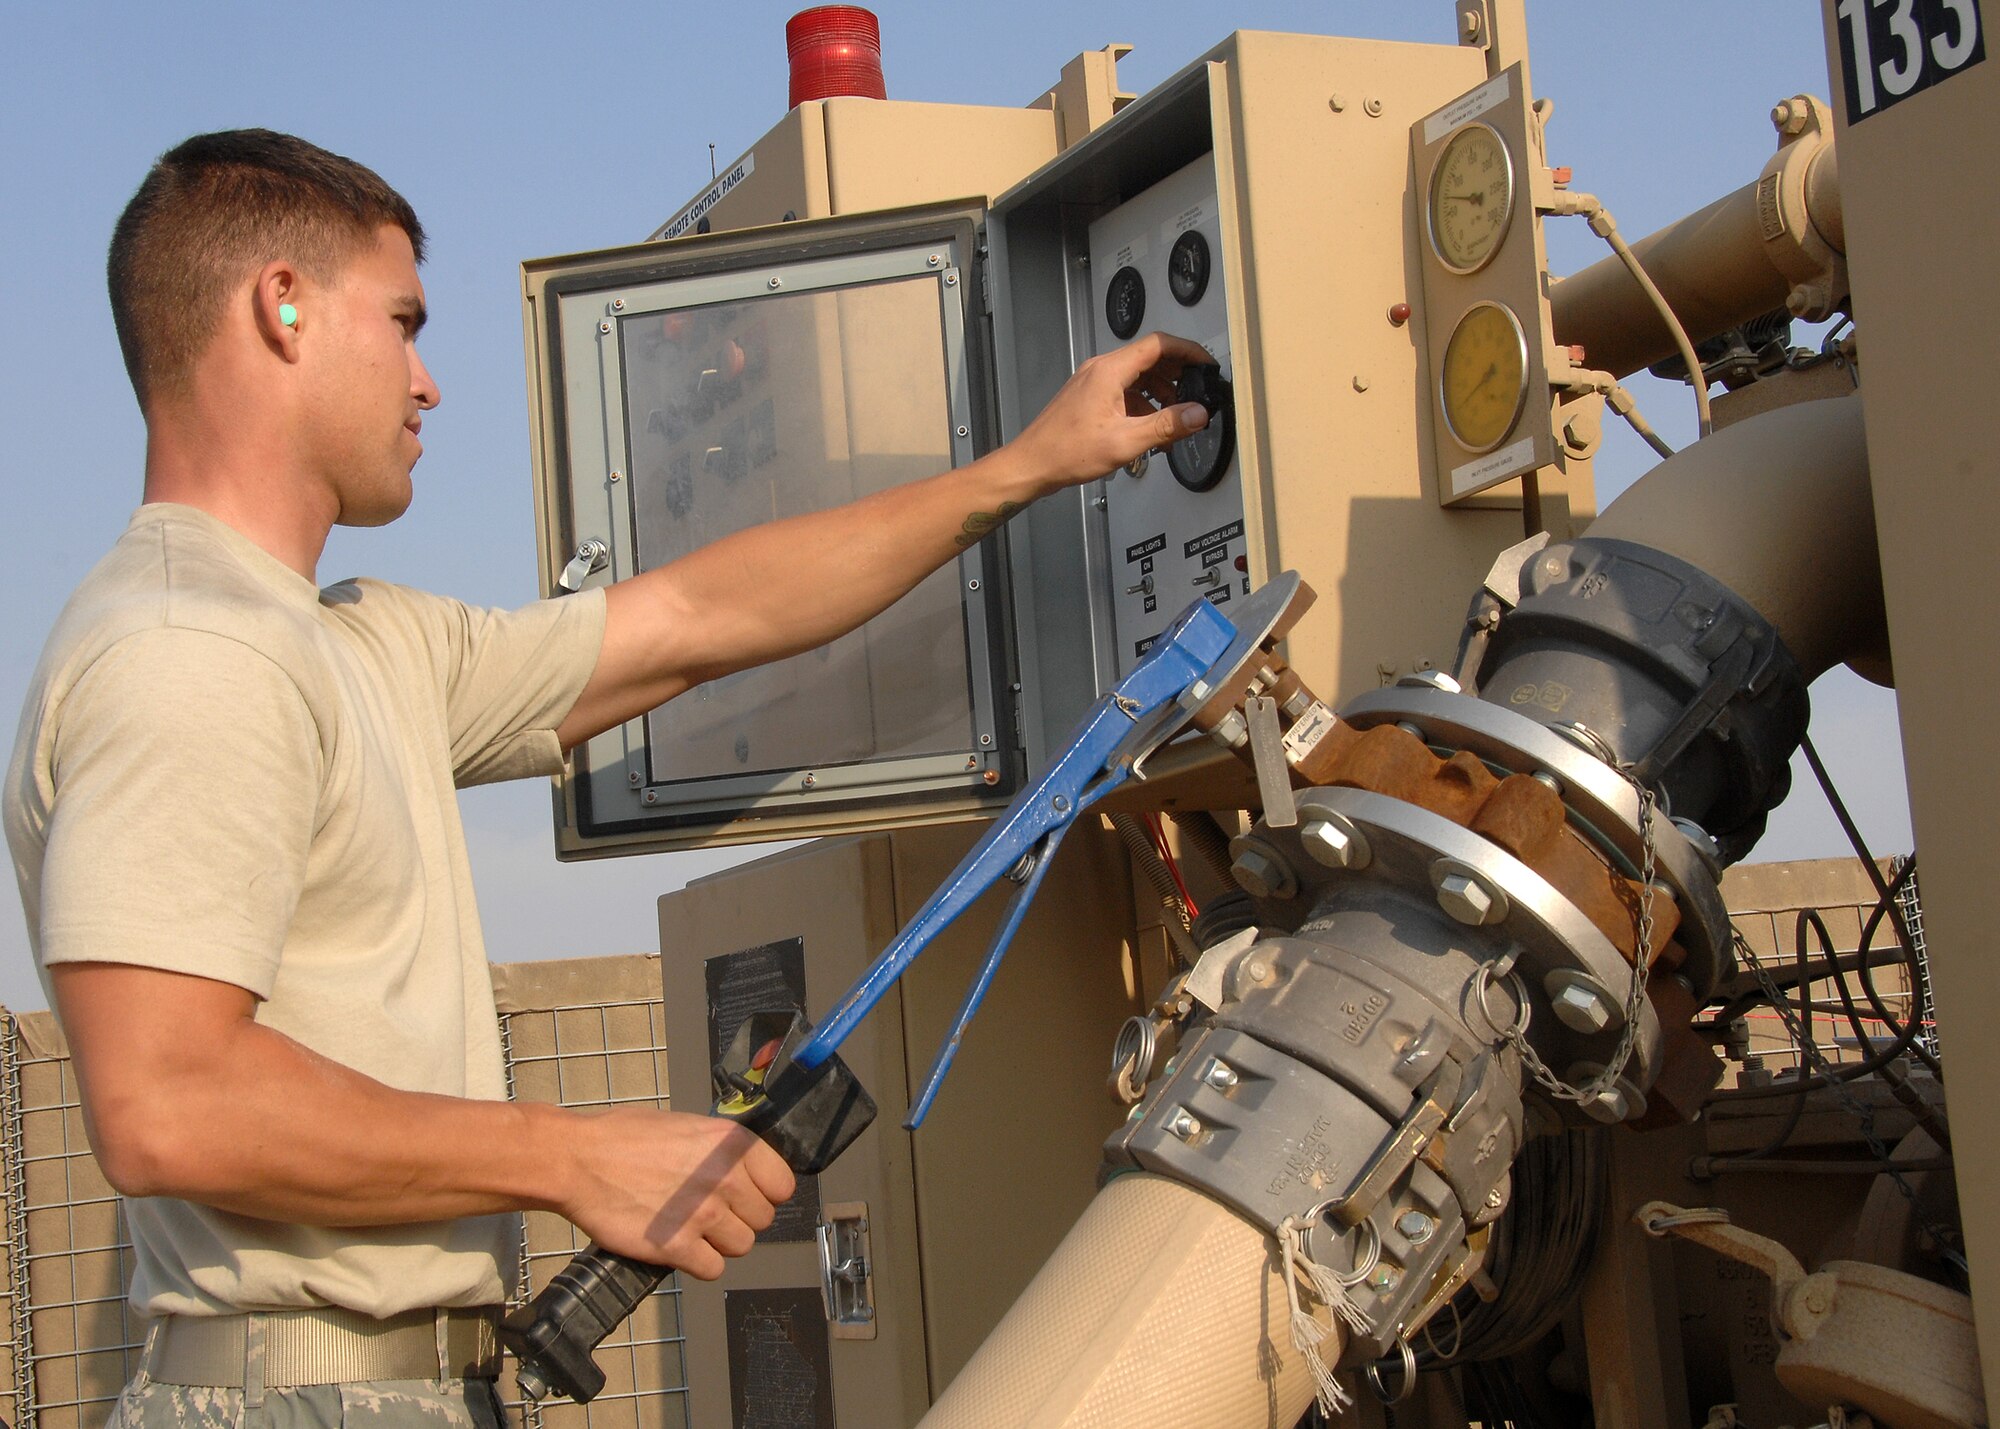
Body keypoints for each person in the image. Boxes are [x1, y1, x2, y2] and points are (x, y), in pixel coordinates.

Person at [2, 129, 1212, 1429]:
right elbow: (167, 1103)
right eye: (403, 322)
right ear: (281, 305)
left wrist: (1026, 465)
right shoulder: (187, 646)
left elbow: (697, 614)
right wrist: (578, 1154)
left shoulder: (354, 642)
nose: (427, 383)